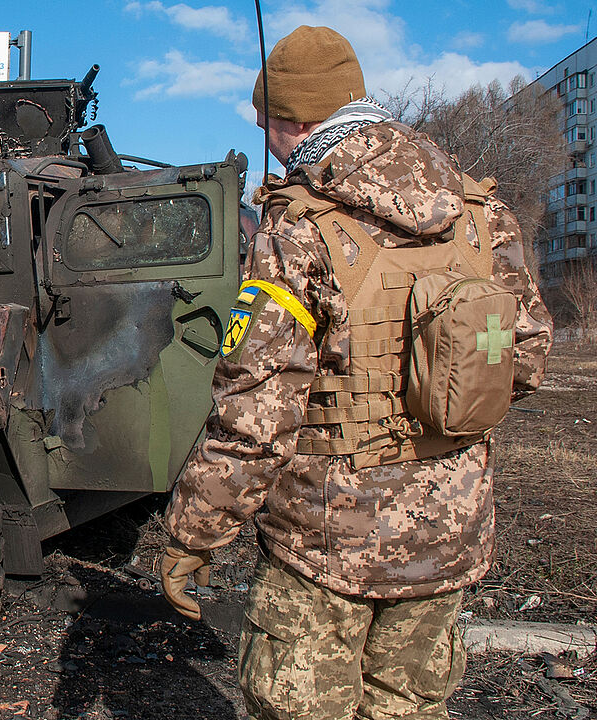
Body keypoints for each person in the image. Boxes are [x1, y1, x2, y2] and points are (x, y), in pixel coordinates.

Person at [158, 25, 553, 719]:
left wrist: (195, 531)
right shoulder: (480, 214)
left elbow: (255, 416)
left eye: (267, 126)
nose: (272, 144)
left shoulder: (299, 229)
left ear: (294, 121)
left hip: (326, 542)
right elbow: (525, 359)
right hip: (450, 529)